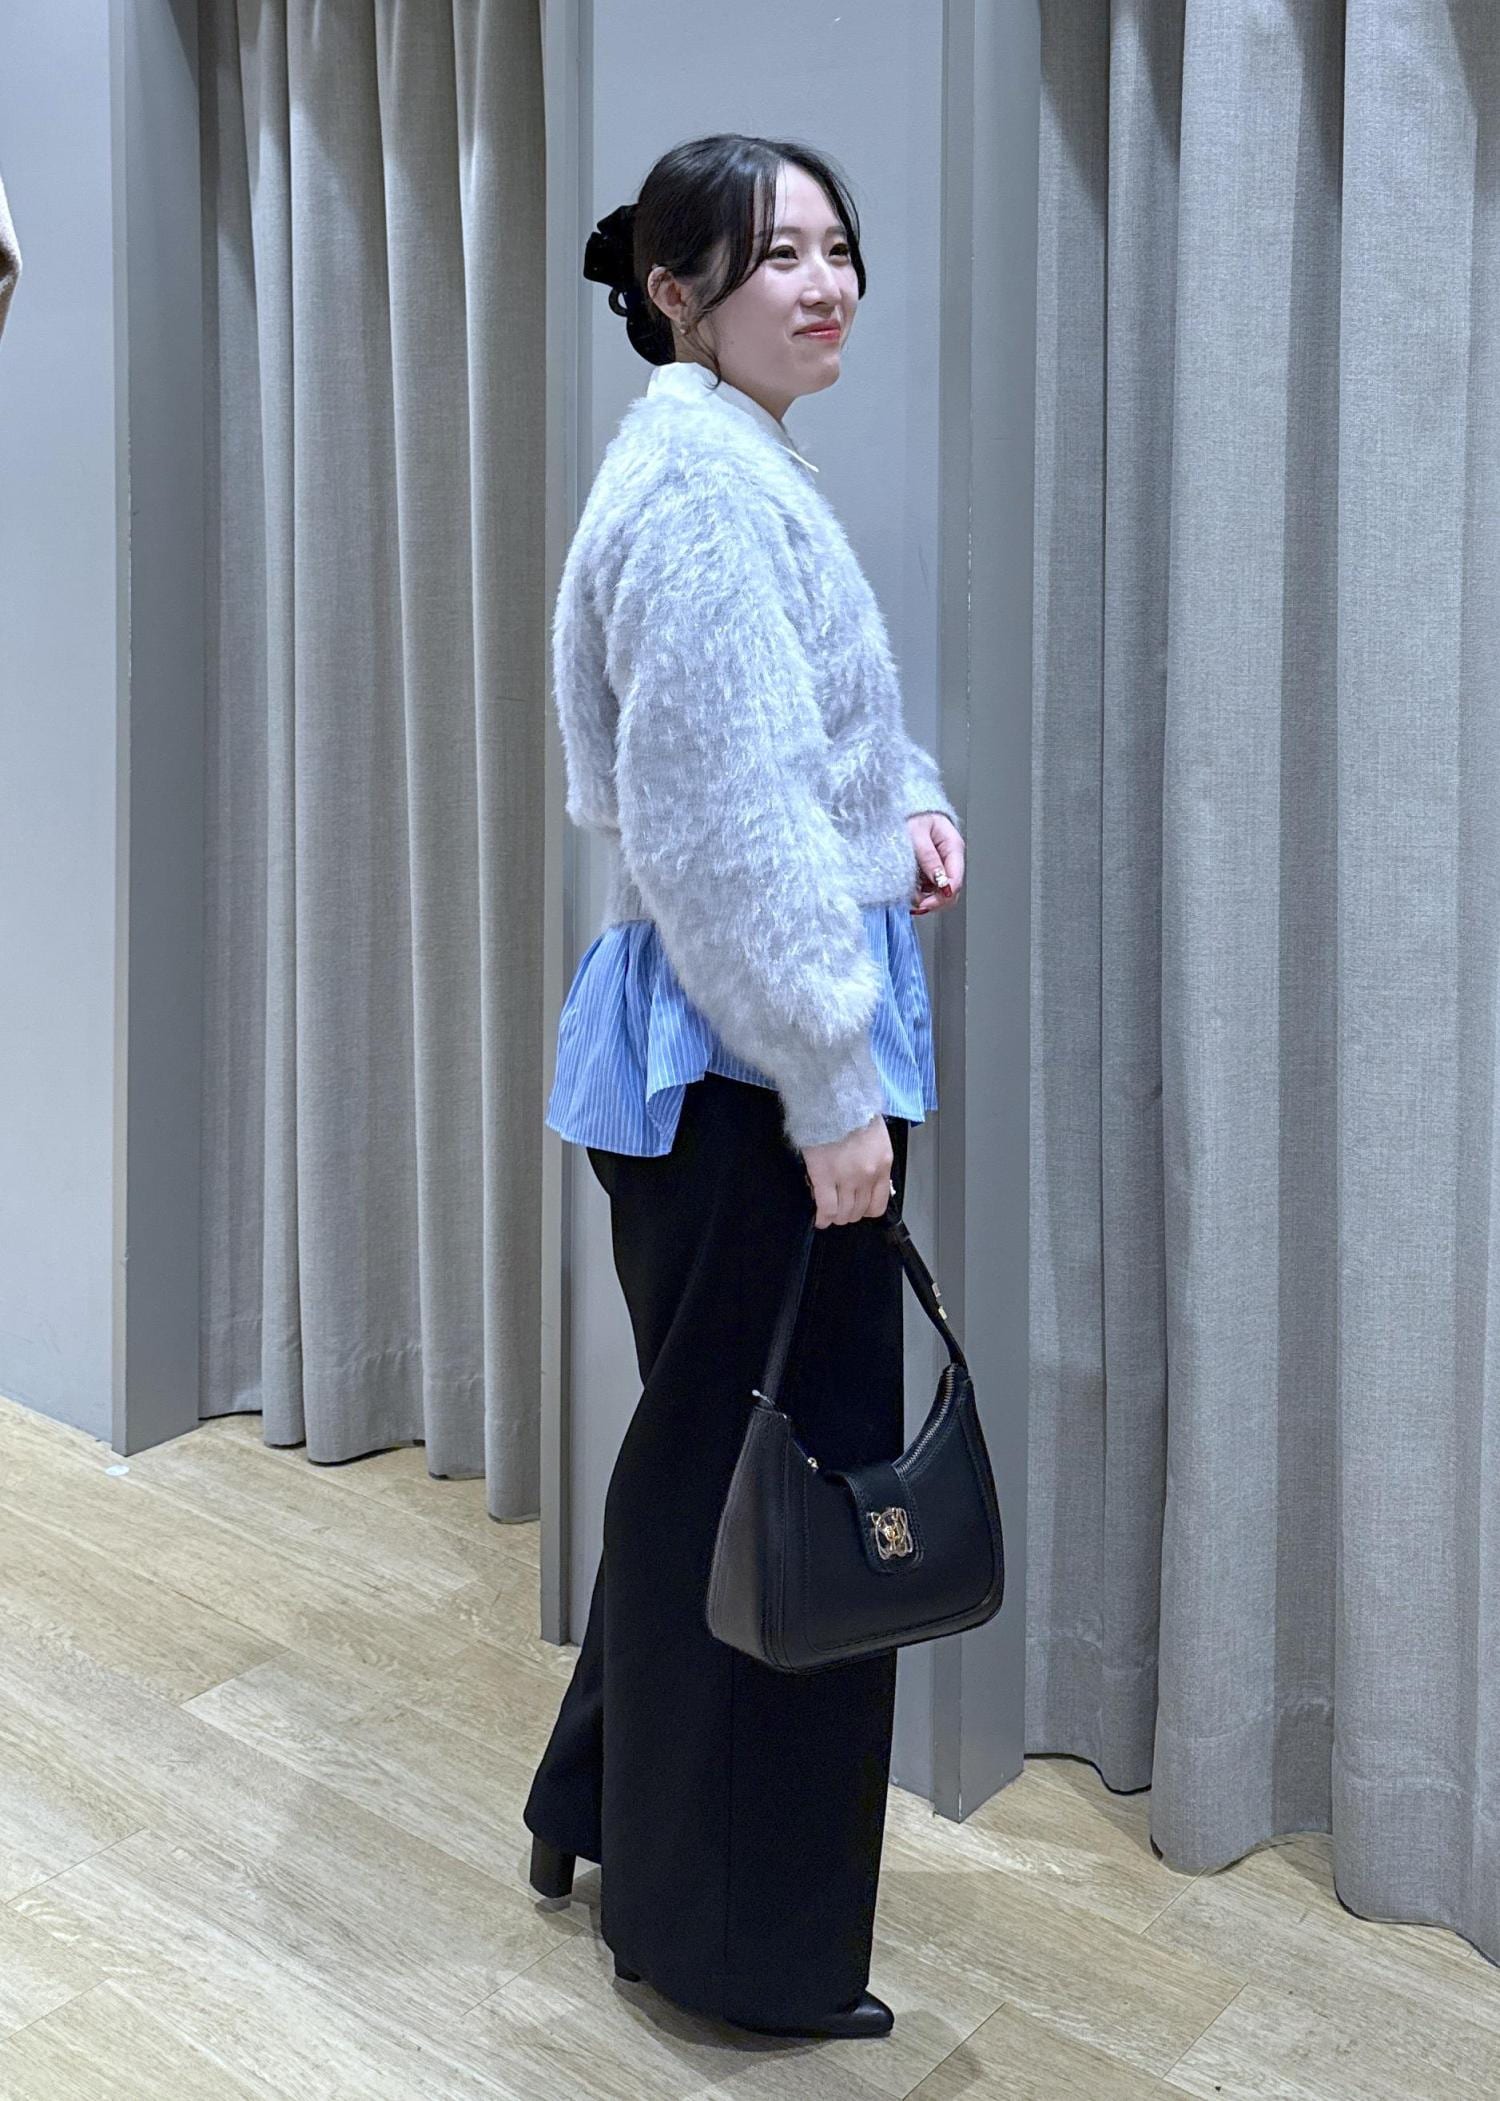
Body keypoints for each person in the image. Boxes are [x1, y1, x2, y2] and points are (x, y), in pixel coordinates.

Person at [522, 132, 966, 2042]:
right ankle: (727, 1950)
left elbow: (808, 753)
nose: (827, 281)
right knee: (782, 1480)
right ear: (677, 292)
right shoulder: (705, 493)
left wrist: (909, 805)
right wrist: (831, 1087)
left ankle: (594, 1802)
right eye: (779, 253)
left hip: (722, 1058)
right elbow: (721, 835)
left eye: (838, 245)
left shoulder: (724, 459)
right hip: (752, 1071)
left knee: (707, 1449)